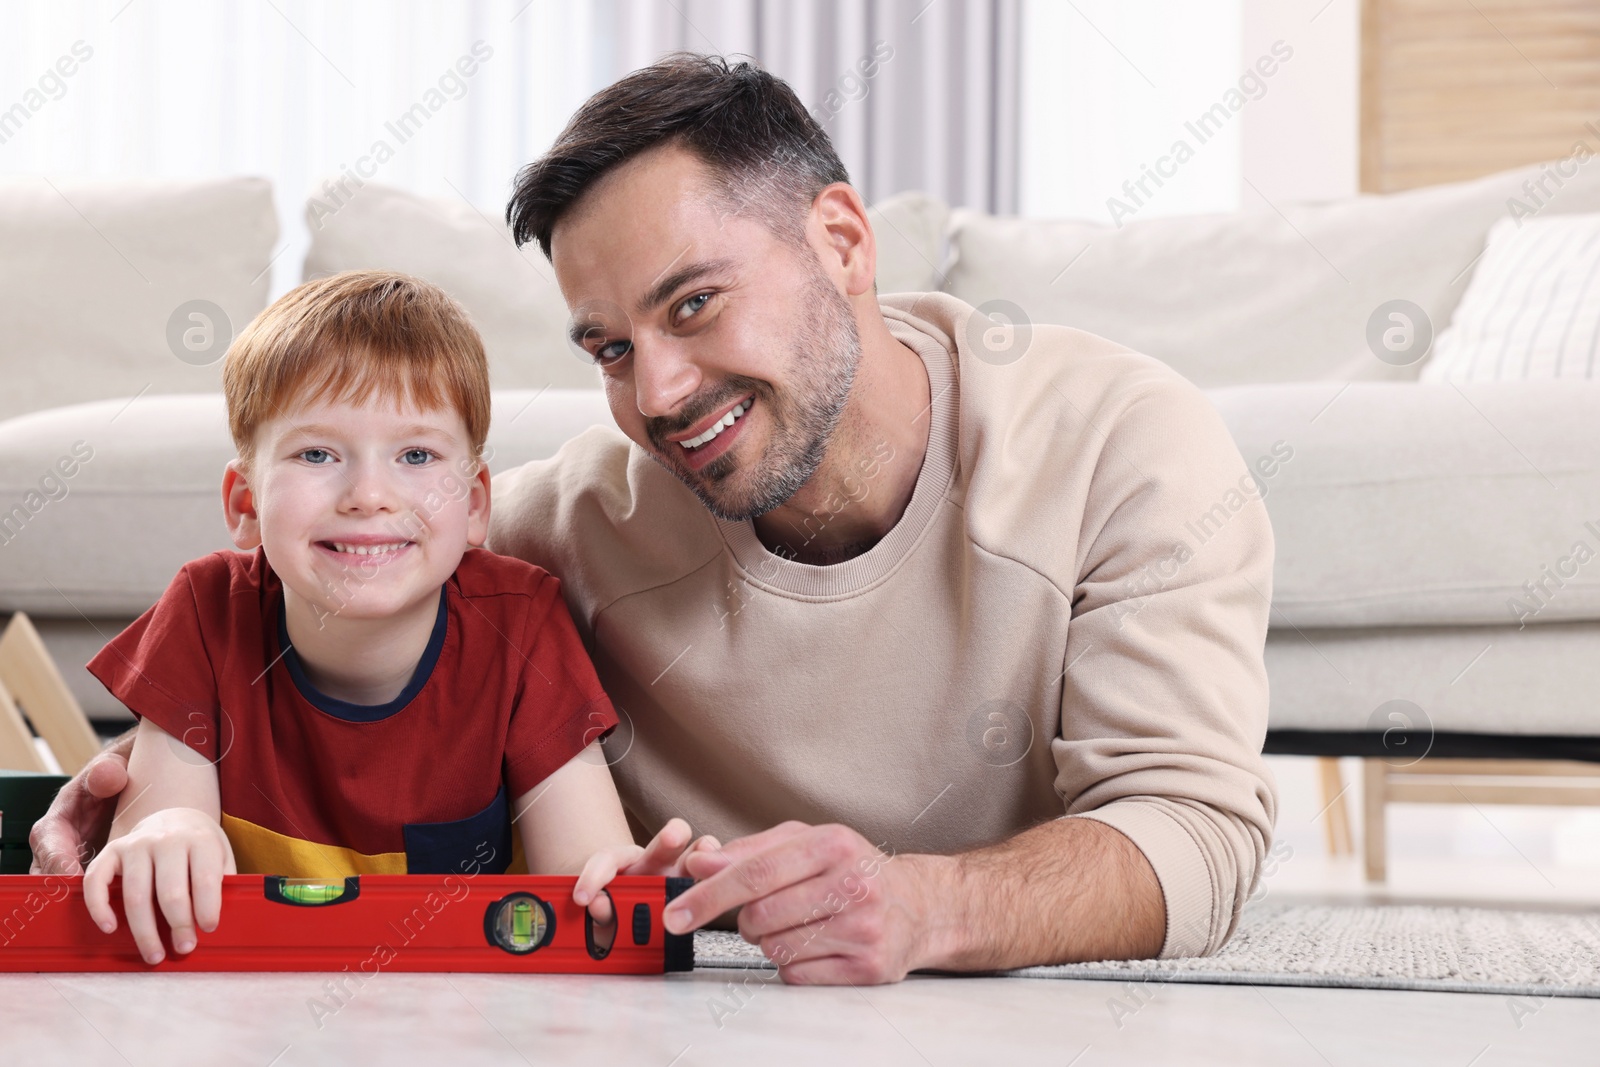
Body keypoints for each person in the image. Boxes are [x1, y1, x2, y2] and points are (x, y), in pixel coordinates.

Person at [37, 57, 1278, 985]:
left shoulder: (1122, 444)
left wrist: (923, 905)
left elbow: (1197, 831)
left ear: (842, 240)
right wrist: (143, 805)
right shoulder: (554, 530)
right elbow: (353, 567)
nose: (661, 393)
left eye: (694, 305)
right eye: (611, 347)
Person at [70, 270, 703, 965]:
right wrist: (163, 833)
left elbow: (586, 870)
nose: (368, 494)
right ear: (245, 504)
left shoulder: (521, 622)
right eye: (317, 453)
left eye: (416, 454)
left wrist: (620, 893)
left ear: (474, 506)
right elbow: (164, 818)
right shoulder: (204, 608)